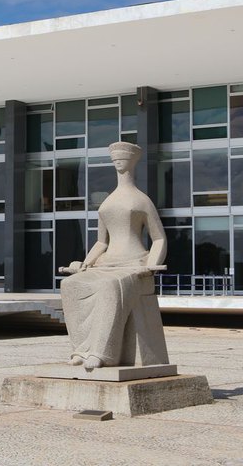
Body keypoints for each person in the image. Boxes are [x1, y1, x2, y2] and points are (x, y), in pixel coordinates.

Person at [60, 141, 166, 370]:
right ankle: (81, 349)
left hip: (133, 264)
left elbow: (159, 239)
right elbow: (101, 241)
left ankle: (101, 353)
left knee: (109, 287)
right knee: (70, 285)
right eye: (115, 158)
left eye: (123, 158)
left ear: (133, 161)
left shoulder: (141, 200)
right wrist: (86, 263)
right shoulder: (108, 201)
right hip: (106, 263)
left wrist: (150, 265)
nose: (118, 161)